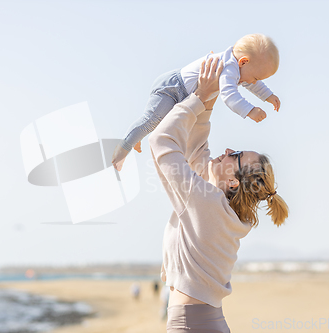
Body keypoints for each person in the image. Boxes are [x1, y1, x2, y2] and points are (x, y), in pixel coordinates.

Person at [148, 57, 289, 332]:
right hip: (204, 320)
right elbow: (197, 153)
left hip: (191, 324)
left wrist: (199, 96)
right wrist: (208, 99)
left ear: (234, 183)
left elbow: (160, 140)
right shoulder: (223, 208)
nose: (226, 150)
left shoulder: (206, 203)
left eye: (234, 155)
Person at [112, 33, 280, 171]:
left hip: (183, 92)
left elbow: (254, 85)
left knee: (160, 123)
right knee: (152, 121)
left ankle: (137, 134)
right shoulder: (230, 68)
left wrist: (268, 95)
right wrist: (250, 110)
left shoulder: (238, 67)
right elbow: (229, 95)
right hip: (173, 89)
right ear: (243, 61)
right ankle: (124, 148)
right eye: (256, 77)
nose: (252, 82)